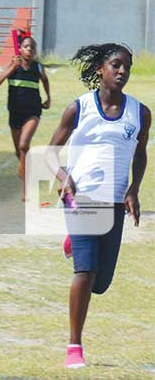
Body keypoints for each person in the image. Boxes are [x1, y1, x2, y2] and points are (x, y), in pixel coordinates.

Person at [45, 43, 148, 369]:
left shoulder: (140, 113)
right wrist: (63, 176)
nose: (122, 72)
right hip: (82, 199)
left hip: (115, 202)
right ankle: (74, 345)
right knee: (86, 273)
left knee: (101, 283)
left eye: (126, 67)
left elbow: (141, 152)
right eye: (115, 65)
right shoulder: (79, 109)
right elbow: (49, 152)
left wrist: (134, 188)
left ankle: (75, 243)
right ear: (100, 70)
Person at [0, 30, 51, 201]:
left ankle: (26, 191)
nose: (29, 50)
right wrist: (11, 68)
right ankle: (24, 168)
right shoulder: (13, 66)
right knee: (20, 151)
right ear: (20, 48)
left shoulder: (38, 67)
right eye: (26, 47)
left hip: (33, 112)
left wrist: (48, 98)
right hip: (15, 113)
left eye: (32, 48)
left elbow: (45, 80)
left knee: (24, 145)